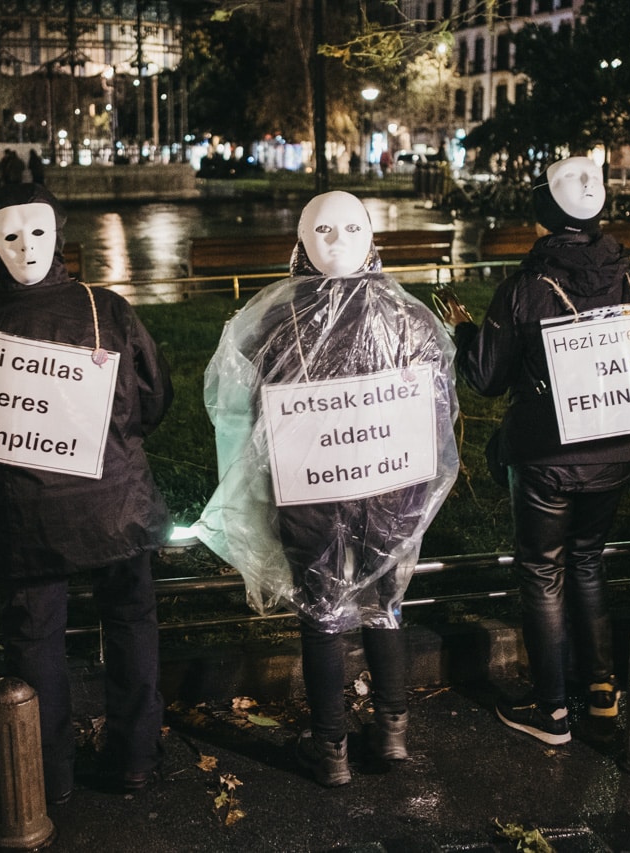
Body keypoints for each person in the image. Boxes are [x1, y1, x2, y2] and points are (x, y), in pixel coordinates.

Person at [196, 191, 459, 786]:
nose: (337, 240)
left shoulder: (271, 320)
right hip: (392, 491)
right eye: (325, 229)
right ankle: (391, 735)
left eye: (347, 228)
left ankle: (331, 748)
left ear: (369, 236)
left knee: (322, 612)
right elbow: (437, 410)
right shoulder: (412, 318)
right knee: (384, 606)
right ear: (303, 238)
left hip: (310, 491)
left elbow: (239, 414)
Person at [0, 183, 172, 802]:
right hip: (116, 508)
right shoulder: (107, 310)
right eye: (12, 234)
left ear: (58, 234)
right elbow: (155, 397)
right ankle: (135, 759)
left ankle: (47, 777)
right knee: (132, 623)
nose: (26, 246)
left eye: (35, 231)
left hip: (24, 519)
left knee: (34, 642)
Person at [444, 156, 630, 745]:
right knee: (588, 560)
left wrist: (465, 329)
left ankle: (551, 711)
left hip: (547, 456)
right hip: (619, 447)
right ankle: (599, 691)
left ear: (542, 213)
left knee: (542, 572)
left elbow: (486, 376)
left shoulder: (526, 287)